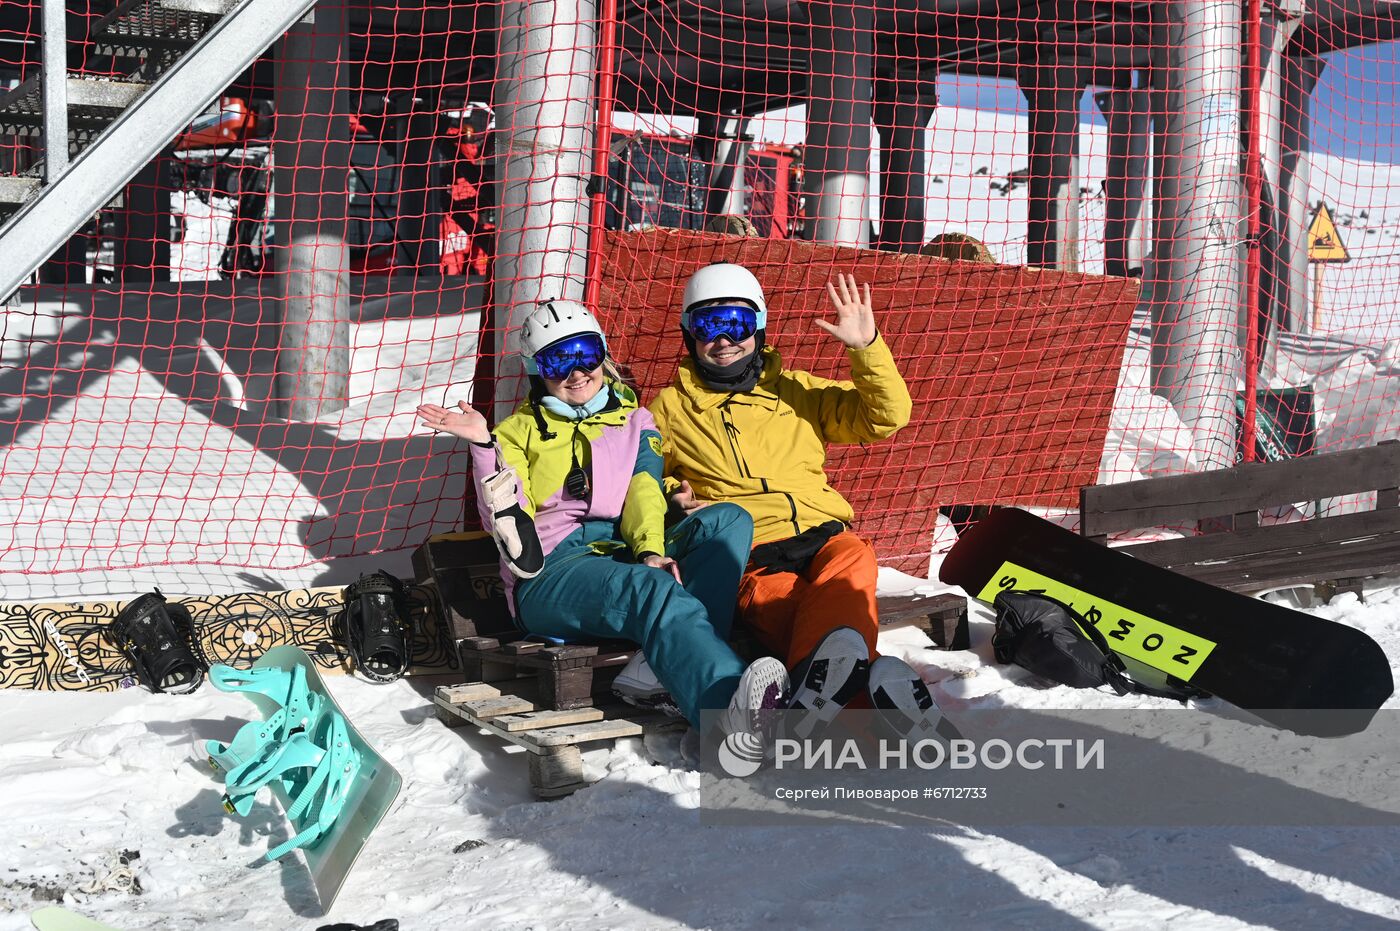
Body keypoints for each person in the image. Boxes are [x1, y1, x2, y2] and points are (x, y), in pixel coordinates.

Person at [416, 299, 788, 744]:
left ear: (603, 354)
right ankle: (727, 716)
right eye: (559, 360)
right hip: (553, 571)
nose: (576, 372)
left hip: (621, 554)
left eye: (585, 354)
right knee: (651, 588)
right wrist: (483, 446)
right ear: (538, 370)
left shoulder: (635, 420)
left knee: (727, 521)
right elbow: (508, 509)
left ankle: (658, 667)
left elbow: (642, 490)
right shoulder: (516, 432)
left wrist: (651, 549)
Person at [650, 264, 937, 735]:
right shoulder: (670, 410)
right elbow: (639, 481)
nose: (723, 340)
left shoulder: (800, 391)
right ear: (689, 335)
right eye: (707, 326)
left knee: (853, 559)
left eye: (736, 325)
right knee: (798, 615)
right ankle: (867, 704)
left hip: (822, 536)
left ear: (758, 329)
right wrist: (671, 496)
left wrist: (865, 348)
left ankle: (806, 711)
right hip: (750, 554)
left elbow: (885, 417)